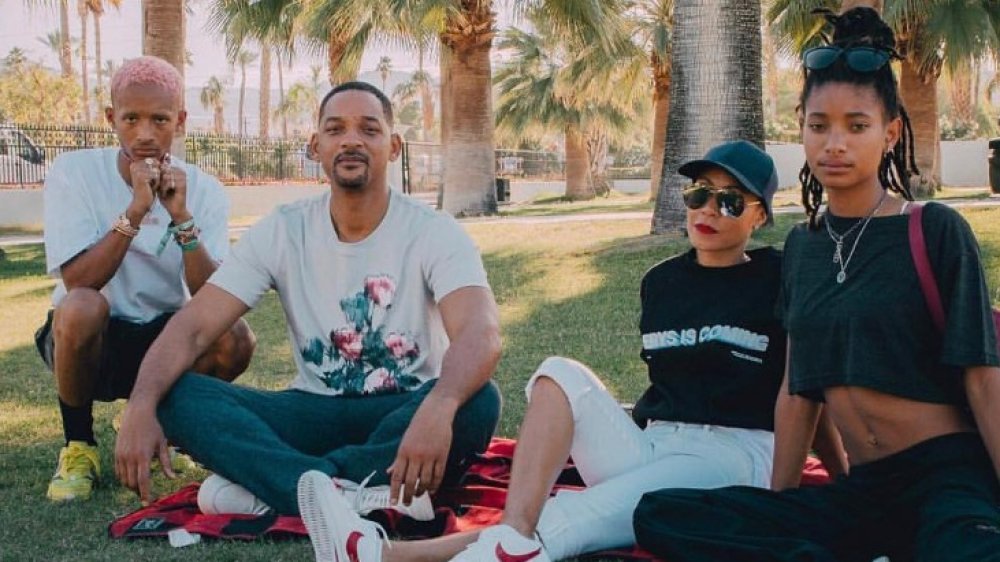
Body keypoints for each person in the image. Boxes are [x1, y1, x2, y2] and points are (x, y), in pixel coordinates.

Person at [294, 139, 831, 562]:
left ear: (760, 217)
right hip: (655, 447)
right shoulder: (662, 282)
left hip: (730, 457)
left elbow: (807, 385)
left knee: (572, 518)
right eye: (698, 194)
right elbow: (673, 386)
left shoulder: (780, 276)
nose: (707, 210)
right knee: (555, 372)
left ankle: (384, 555)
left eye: (730, 201)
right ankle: (501, 536)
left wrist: (826, 481)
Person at [631, 8, 1000, 562]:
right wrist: (778, 509)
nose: (835, 144)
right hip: (867, 490)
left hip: (945, 475)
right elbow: (796, 391)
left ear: (890, 131)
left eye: (857, 126)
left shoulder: (935, 229)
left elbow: (982, 380)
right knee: (660, 514)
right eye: (819, 124)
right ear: (800, 125)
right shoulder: (802, 248)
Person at [113, 81, 503, 520]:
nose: (351, 140)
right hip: (310, 411)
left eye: (368, 129)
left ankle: (292, 487)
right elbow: (195, 326)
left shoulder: (433, 230)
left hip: (404, 412)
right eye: (336, 129)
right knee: (176, 394)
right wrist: (141, 403)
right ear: (315, 146)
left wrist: (440, 405)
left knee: (478, 400)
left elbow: (479, 332)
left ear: (393, 147)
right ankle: (347, 491)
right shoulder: (284, 228)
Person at [36, 55, 255, 502]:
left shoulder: (204, 188)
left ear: (180, 120)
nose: (145, 134)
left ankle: (162, 426)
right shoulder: (74, 173)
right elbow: (79, 279)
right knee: (81, 305)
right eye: (131, 119)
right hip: (89, 340)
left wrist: (181, 217)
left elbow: (213, 297)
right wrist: (135, 210)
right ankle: (79, 447)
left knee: (235, 336)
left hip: (165, 339)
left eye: (159, 119)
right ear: (111, 118)